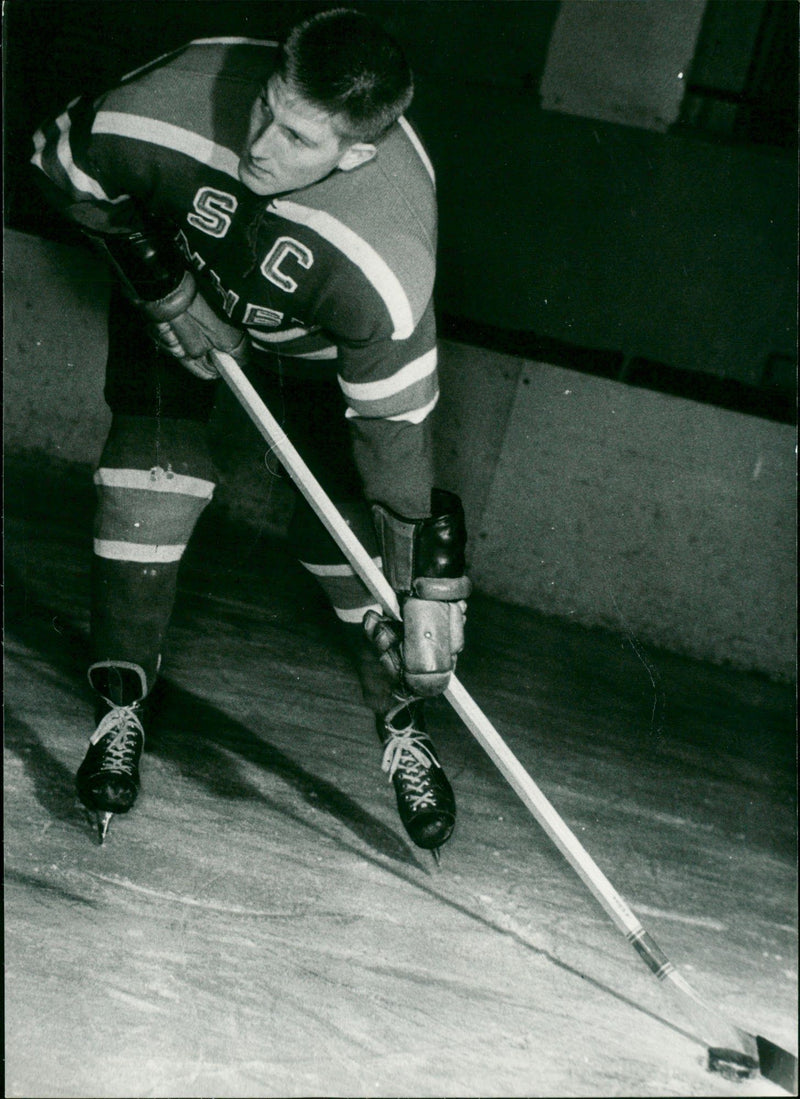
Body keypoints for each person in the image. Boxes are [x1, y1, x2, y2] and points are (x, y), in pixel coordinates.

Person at [31, 7, 471, 854]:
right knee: (150, 482)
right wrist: (164, 285)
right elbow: (60, 161)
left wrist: (423, 585)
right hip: (179, 299)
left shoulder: (388, 257)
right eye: (265, 105)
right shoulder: (163, 104)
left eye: (298, 139)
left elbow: (396, 433)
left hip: (309, 358)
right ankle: (120, 706)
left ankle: (403, 723)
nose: (261, 143)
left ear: (355, 155)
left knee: (348, 545)